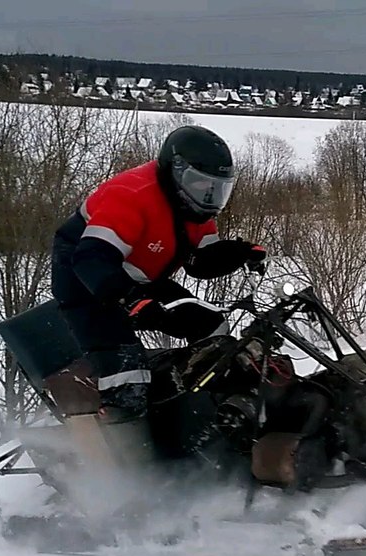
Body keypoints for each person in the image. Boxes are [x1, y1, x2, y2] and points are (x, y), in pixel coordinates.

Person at [51, 125, 265, 423]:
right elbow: (91, 258)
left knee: (210, 325)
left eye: (217, 188)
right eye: (201, 184)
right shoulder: (133, 195)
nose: (210, 195)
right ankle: (129, 447)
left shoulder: (196, 208)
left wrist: (240, 252)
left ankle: (215, 411)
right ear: (174, 172)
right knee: (127, 371)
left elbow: (200, 263)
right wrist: (129, 299)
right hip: (86, 283)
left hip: (140, 280)